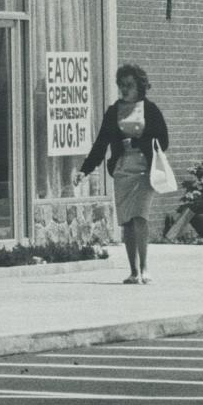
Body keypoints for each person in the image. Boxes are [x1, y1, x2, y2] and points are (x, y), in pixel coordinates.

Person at [72, 63, 169, 285]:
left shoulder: (150, 110)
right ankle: (133, 271)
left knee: (140, 216)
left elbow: (163, 140)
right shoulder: (113, 111)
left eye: (129, 85)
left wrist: (137, 141)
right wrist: (84, 170)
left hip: (145, 169)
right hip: (122, 168)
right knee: (126, 221)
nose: (124, 90)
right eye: (121, 85)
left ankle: (145, 268)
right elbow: (101, 144)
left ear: (139, 87)